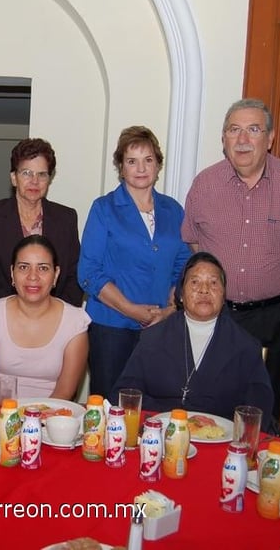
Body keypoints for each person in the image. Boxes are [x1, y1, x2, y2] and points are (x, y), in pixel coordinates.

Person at [181, 98, 280, 420]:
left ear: (270, 138)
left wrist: (277, 275)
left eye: (253, 129)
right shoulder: (205, 184)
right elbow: (193, 240)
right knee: (206, 409)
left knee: (261, 415)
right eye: (234, 130)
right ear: (224, 139)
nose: (243, 139)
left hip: (273, 318)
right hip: (215, 317)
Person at [78, 126, 191, 399]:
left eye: (148, 160)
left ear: (158, 165)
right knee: (108, 408)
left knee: (153, 408)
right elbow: (88, 272)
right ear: (121, 167)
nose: (141, 168)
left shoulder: (174, 210)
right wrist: (131, 310)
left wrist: (170, 310)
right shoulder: (104, 208)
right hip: (111, 329)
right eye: (132, 161)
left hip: (161, 328)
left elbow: (184, 266)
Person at [113, 252, 273, 430]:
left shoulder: (246, 346)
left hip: (221, 443)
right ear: (180, 294)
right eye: (195, 282)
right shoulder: (152, 338)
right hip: (160, 435)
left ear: (223, 295)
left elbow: (258, 410)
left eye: (213, 282)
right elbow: (125, 395)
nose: (204, 290)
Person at [0, 235, 90, 407]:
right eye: (23, 267)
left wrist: (35, 424)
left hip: (50, 418)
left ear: (56, 274)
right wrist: (1, 422)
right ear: (12, 273)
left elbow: (64, 392)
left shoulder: (75, 323)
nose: (32, 276)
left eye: (43, 268)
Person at [0, 138, 83, 306]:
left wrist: (55, 313)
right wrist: (18, 313)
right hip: (5, 314)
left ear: (49, 179)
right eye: (26, 173)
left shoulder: (66, 217)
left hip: (56, 315)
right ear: (13, 178)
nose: (34, 181)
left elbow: (74, 275)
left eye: (42, 174)